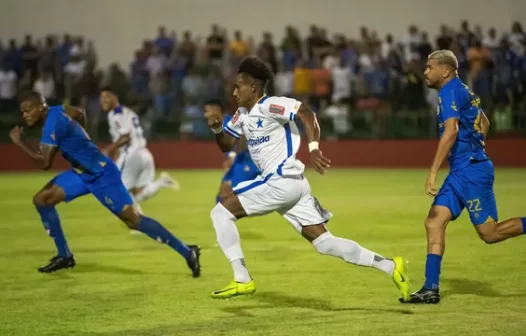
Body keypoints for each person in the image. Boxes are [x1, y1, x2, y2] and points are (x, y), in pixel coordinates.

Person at [204, 56, 409, 300]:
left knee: (220, 213)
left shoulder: (271, 105)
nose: (234, 90)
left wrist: (313, 148)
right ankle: (390, 265)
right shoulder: (241, 114)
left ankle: (242, 278)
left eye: (239, 85)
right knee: (325, 244)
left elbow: (307, 115)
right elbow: (227, 143)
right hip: (294, 187)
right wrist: (217, 128)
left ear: (254, 88)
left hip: (280, 181)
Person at [9, 92, 201, 277]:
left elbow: (45, 163)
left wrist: (21, 142)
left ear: (41, 108)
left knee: (133, 220)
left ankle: (187, 251)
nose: (24, 115)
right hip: (82, 174)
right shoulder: (58, 110)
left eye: (28, 110)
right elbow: (79, 112)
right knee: (42, 200)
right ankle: (65, 256)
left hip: (102, 175)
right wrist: (83, 139)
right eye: (22, 112)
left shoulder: (52, 125)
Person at [403, 50, 526, 304]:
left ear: (445, 71)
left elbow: (450, 132)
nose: (425, 72)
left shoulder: (449, 92)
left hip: (470, 171)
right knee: (434, 222)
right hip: (462, 169)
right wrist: (476, 143)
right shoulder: (462, 90)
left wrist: (433, 171)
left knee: (490, 233)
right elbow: (485, 122)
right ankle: (430, 288)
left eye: (429, 67)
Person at [100, 87, 179, 222]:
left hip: (132, 154)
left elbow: (125, 137)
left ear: (115, 97)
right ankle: (161, 183)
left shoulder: (116, 114)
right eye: (101, 98)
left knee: (120, 192)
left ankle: (137, 221)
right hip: (144, 153)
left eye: (107, 96)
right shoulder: (128, 112)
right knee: (138, 193)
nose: (103, 100)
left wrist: (108, 150)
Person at [203, 99, 260, 203]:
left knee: (232, 196)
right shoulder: (218, 123)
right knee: (222, 195)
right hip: (238, 161)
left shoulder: (230, 121)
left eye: (207, 111)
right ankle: (223, 216)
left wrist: (232, 156)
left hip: (246, 160)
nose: (205, 114)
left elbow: (242, 136)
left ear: (216, 109)